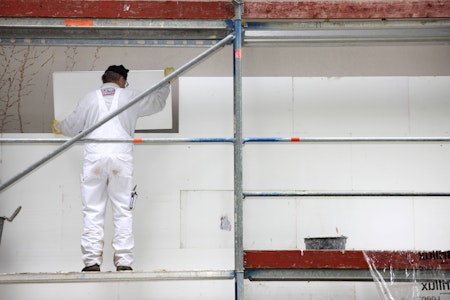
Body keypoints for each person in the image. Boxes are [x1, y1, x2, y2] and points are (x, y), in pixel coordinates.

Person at [52, 65, 171, 272]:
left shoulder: (89, 98)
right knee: (123, 211)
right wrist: (167, 84)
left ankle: (91, 262)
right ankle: (124, 262)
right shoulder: (129, 96)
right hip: (120, 159)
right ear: (122, 81)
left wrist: (59, 127)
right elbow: (156, 103)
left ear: (103, 78)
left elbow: (72, 126)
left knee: (92, 210)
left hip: (94, 159)